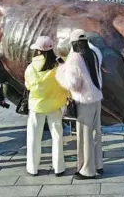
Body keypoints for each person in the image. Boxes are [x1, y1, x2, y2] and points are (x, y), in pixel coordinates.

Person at [56, 29, 103, 180]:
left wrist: (61, 71)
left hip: (84, 101)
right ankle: (98, 165)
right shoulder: (94, 53)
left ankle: (87, 170)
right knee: (96, 133)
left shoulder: (75, 57)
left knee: (84, 136)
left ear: (74, 43)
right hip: (96, 98)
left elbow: (73, 84)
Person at [24, 36, 67, 177]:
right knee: (57, 137)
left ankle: (33, 168)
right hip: (55, 105)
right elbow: (67, 82)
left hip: (37, 105)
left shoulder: (31, 67)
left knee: (34, 137)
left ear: (38, 50)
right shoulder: (59, 65)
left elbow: (29, 86)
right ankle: (59, 168)